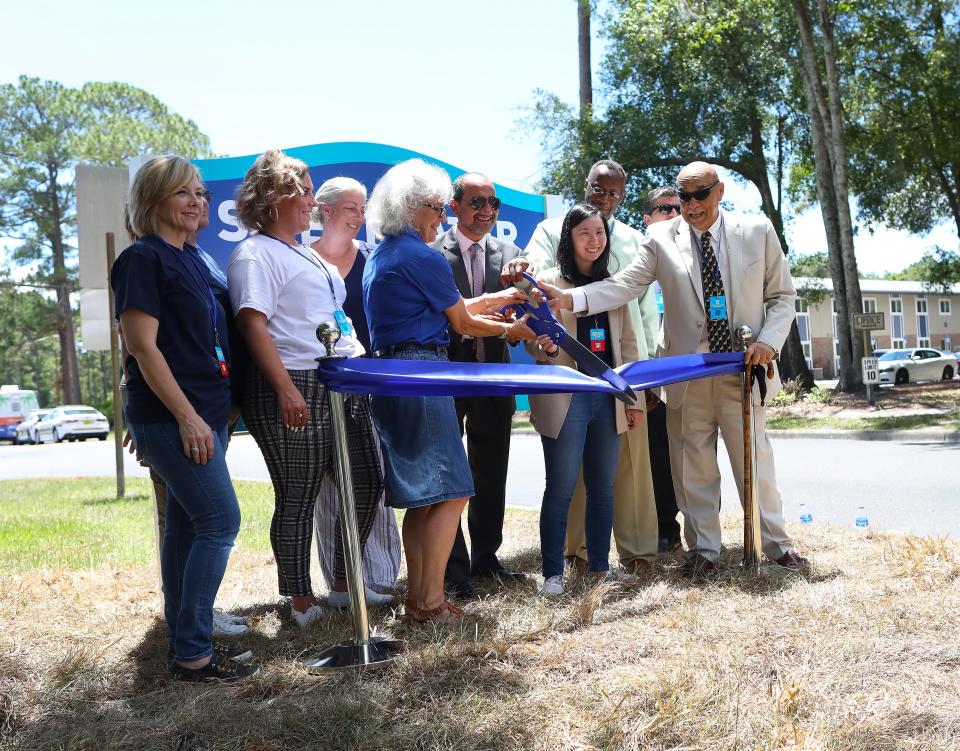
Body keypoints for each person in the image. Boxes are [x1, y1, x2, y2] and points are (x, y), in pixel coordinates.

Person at [541, 161, 807, 575]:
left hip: (742, 368)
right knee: (691, 467)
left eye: (699, 194)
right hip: (686, 374)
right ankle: (704, 551)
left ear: (719, 191)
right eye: (683, 197)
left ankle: (777, 545)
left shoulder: (757, 231)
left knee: (755, 463)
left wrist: (768, 342)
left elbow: (783, 296)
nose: (691, 204)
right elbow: (625, 284)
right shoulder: (660, 237)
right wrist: (570, 300)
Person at [362, 158, 533, 624]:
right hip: (423, 371)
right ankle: (433, 602)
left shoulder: (385, 253)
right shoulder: (422, 254)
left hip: (395, 373)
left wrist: (500, 300)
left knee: (425, 498)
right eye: (438, 207)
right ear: (411, 207)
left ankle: (419, 599)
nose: (442, 216)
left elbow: (447, 307)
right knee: (455, 491)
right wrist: (511, 330)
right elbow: (460, 321)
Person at [228, 149, 388, 629]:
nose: (310, 201)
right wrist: (284, 389)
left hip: (341, 380)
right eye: (301, 190)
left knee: (367, 483)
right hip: (293, 380)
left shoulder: (302, 252)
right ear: (273, 198)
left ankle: (342, 584)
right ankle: (298, 599)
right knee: (297, 494)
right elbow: (252, 324)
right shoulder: (253, 254)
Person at [113, 154, 256, 681]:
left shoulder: (196, 259)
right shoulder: (142, 259)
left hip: (207, 413)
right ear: (153, 200)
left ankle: (183, 643)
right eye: (184, 193)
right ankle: (195, 652)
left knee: (185, 527)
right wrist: (181, 418)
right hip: (179, 418)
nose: (197, 202)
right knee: (220, 521)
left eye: (202, 194)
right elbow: (142, 348)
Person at [524, 159, 659, 573]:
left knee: (611, 484)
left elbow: (639, 325)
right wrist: (545, 347)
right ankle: (562, 564)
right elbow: (535, 328)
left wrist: (637, 390)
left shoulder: (629, 255)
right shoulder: (549, 254)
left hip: (614, 387)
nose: (605, 199)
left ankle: (617, 559)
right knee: (563, 487)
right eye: (598, 190)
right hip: (566, 391)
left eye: (613, 193)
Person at [431, 172, 526, 599]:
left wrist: (523, 288)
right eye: (476, 202)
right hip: (446, 378)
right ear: (455, 206)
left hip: (494, 375)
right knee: (450, 476)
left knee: (492, 472)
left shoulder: (511, 254)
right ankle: (454, 572)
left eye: (493, 203)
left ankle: (487, 560)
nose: (486, 211)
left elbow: (526, 307)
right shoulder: (432, 253)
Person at [308, 176, 401, 595]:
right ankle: (341, 585)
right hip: (321, 387)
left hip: (374, 384)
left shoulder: (373, 258)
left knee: (376, 478)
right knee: (332, 485)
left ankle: (379, 575)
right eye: (351, 208)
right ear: (324, 211)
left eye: (363, 209)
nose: (359, 217)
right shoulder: (303, 262)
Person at [641, 187, 683, 553]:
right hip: (652, 377)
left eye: (679, 208)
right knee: (658, 454)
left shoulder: (698, 253)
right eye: (665, 208)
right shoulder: (638, 260)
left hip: (692, 373)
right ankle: (665, 529)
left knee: (698, 452)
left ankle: (705, 527)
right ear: (648, 219)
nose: (674, 213)